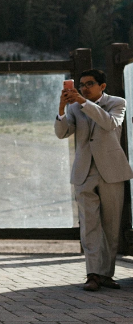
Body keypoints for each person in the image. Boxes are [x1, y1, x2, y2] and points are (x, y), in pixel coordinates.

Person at [55, 69, 133, 291]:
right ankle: (92, 275)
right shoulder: (73, 106)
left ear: (103, 86)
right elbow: (62, 133)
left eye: (89, 84)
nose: (84, 88)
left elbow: (110, 124)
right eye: (81, 85)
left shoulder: (118, 103)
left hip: (112, 172)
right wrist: (62, 108)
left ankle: (106, 274)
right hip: (84, 172)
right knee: (89, 225)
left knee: (111, 226)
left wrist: (83, 102)